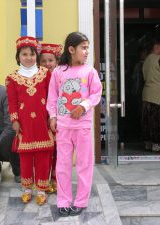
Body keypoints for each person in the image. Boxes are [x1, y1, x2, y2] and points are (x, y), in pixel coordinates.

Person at [47, 32, 102, 216]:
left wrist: (83, 106)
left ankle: (80, 201)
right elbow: (53, 96)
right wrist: (53, 116)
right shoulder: (58, 72)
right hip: (63, 127)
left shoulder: (90, 71)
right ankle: (63, 201)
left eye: (87, 47)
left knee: (84, 165)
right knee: (62, 165)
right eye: (83, 48)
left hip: (83, 127)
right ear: (71, 49)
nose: (86, 51)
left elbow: (96, 94)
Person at [5, 36, 54, 206]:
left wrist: (52, 117)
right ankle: (27, 189)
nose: (28, 57)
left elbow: (51, 98)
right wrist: (14, 120)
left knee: (43, 156)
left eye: (32, 54)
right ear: (18, 56)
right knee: (25, 157)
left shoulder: (45, 74)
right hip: (24, 124)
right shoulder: (12, 78)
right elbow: (12, 102)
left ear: (36, 56)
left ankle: (41, 190)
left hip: (43, 122)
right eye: (24, 54)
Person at [39, 43, 62, 194]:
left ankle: (56, 179)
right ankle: (44, 180)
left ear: (57, 61)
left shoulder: (62, 76)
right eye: (44, 61)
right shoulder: (37, 78)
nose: (47, 64)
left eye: (51, 60)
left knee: (59, 152)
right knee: (45, 151)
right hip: (42, 119)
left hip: (59, 119)